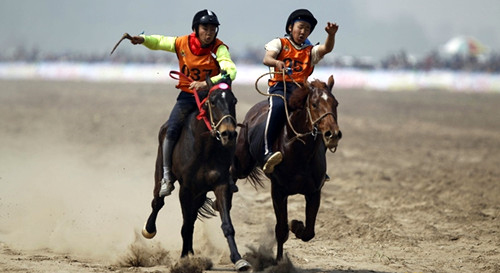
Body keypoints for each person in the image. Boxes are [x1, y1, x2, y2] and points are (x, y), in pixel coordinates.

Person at [129, 9, 237, 196]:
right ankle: (167, 177)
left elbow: (230, 71)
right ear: (196, 28)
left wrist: (207, 83)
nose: (209, 32)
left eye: (213, 29)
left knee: (228, 129)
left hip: (212, 97)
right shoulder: (182, 43)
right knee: (170, 129)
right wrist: (144, 40)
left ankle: (227, 174)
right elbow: (162, 42)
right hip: (188, 96)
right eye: (205, 28)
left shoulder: (219, 49)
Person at [262, 9, 339, 174]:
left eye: (307, 29)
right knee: (276, 108)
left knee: (317, 114)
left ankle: (319, 159)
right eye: (300, 27)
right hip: (280, 86)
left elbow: (326, 48)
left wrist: (331, 35)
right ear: (290, 27)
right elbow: (266, 58)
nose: (303, 31)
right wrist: (276, 63)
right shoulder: (279, 43)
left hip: (301, 90)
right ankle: (267, 151)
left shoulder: (310, 50)